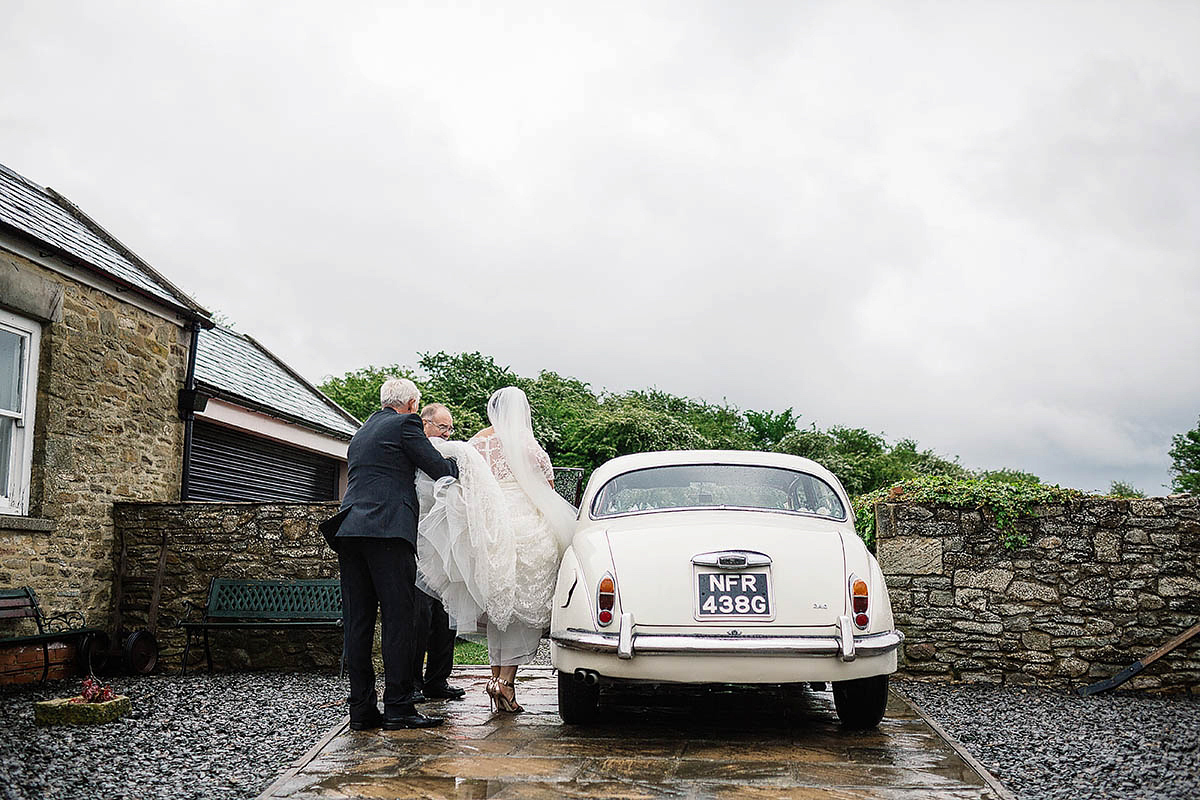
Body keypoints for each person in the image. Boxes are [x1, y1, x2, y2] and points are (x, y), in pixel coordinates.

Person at [414, 386, 576, 713]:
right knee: (518, 611)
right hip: (525, 528)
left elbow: (462, 483)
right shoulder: (528, 446)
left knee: (498, 604)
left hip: (488, 530)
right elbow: (547, 491)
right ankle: (506, 683)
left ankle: (494, 680)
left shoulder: (476, 443)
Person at [319, 377, 458, 731]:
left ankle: (362, 710)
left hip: (350, 531)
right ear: (412, 404)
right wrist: (460, 466)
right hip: (386, 531)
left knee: (359, 622)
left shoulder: (362, 431)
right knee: (400, 619)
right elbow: (438, 468)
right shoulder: (406, 424)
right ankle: (398, 707)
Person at [410, 403, 466, 701]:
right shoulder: (415, 450)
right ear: (425, 423)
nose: (447, 433)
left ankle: (438, 680)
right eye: (442, 427)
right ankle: (413, 683)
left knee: (446, 617)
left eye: (450, 428)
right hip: (419, 545)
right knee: (418, 617)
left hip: (445, 548)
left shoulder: (449, 454)